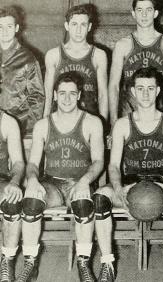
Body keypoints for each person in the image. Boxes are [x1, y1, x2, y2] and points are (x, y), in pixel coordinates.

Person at [95, 67, 163, 282]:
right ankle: (107, 263)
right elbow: (113, 165)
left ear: (158, 90)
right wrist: (117, 188)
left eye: (150, 88)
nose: (145, 94)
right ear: (132, 91)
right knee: (100, 197)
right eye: (140, 88)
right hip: (130, 184)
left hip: (161, 184)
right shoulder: (123, 124)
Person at [17, 72, 104, 282]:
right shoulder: (43, 125)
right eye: (62, 93)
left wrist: (85, 181)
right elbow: (33, 164)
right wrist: (33, 180)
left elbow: (99, 161)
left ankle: (83, 264)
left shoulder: (92, 122)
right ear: (54, 95)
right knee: (30, 202)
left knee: (84, 204)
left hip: (80, 183)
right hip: (53, 184)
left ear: (79, 95)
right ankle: (30, 262)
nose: (66, 98)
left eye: (72, 94)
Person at [108, 0, 163, 126]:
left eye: (148, 10)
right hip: (128, 110)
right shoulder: (122, 45)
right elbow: (114, 86)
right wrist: (114, 121)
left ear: (156, 13)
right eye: (140, 10)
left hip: (159, 109)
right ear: (134, 14)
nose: (144, 15)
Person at [44, 4, 108, 119]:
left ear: (89, 27)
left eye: (83, 25)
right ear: (67, 26)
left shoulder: (99, 55)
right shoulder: (53, 55)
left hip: (89, 120)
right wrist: (45, 122)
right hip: (60, 120)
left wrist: (104, 125)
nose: (78, 30)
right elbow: (48, 95)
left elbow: (103, 95)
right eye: (74, 24)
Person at [0, 6, 45, 155]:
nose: (4, 31)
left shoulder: (28, 58)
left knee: (17, 173)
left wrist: (29, 133)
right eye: (0, 26)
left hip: (20, 128)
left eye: (9, 26)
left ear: (17, 28)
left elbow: (37, 97)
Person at [0, 112, 25, 282]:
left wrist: (15, 182)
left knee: (12, 200)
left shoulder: (7, 121)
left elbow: (18, 162)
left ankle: (7, 262)